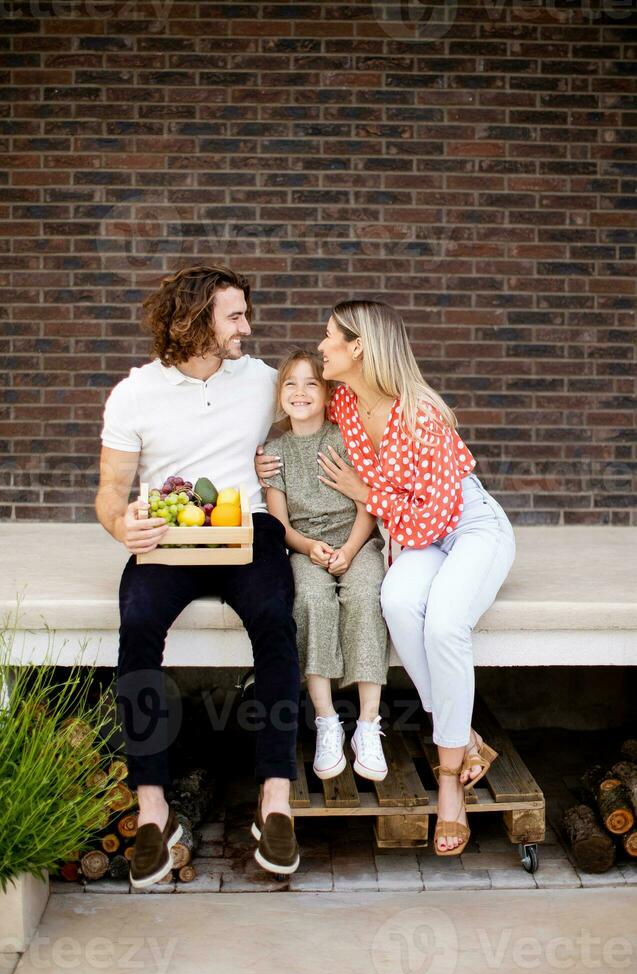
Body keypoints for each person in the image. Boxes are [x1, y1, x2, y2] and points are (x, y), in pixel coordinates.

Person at [257, 300, 516, 857]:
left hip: (467, 525)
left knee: (445, 624)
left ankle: (449, 779)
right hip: (415, 534)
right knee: (397, 604)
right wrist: (263, 465)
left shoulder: (422, 413)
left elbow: (428, 516)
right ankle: (465, 735)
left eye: (330, 337)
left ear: (358, 348)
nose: (321, 345)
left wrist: (365, 494)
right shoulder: (347, 402)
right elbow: (300, 426)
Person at [95, 264, 301, 886]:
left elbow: (327, 409)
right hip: (169, 531)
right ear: (195, 323)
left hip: (249, 528)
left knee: (274, 620)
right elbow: (108, 494)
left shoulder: (264, 380)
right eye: (234, 316)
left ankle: (274, 799)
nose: (247, 326)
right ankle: (154, 807)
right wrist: (120, 527)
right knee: (137, 625)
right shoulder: (134, 392)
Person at [262, 349, 390, 783]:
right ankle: (327, 721)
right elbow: (279, 524)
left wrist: (351, 551)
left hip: (356, 540)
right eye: (291, 384)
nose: (300, 392)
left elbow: (366, 505)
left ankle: (368, 726)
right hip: (304, 547)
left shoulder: (345, 438)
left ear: (328, 392)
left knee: (365, 595)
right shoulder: (275, 450)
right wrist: (309, 546)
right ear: (280, 395)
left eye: (311, 383)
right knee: (312, 600)